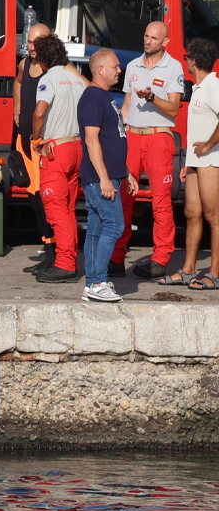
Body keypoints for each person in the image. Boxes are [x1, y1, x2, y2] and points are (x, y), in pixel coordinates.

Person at [113, 21, 183, 277]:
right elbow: (126, 107)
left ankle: (161, 258)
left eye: (154, 38)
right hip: (133, 136)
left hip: (158, 137)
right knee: (123, 196)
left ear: (165, 42)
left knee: (161, 200)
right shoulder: (132, 66)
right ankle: (116, 257)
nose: (147, 41)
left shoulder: (174, 67)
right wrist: (117, 134)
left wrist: (152, 97)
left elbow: (174, 108)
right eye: (145, 36)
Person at [30, 35, 90, 285]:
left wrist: (35, 139)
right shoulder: (78, 81)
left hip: (56, 150)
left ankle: (65, 263)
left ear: (43, 60)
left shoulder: (48, 79)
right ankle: (69, 259)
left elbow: (40, 111)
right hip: (77, 147)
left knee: (56, 209)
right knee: (68, 209)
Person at [79, 48, 135, 302]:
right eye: (115, 66)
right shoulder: (92, 98)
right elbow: (92, 141)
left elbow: (114, 139)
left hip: (110, 175)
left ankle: (93, 283)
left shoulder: (105, 97)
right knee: (115, 225)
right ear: (100, 69)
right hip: (99, 178)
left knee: (97, 228)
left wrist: (127, 173)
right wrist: (103, 178)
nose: (119, 69)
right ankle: (98, 281)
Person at [164, 38, 219, 289]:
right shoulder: (199, 87)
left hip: (212, 161)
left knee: (213, 216)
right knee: (191, 213)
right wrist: (188, 160)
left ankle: (215, 273)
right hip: (197, 161)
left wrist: (207, 146)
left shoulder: (213, 86)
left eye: (187, 57)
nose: (185, 61)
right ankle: (188, 269)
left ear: (194, 61)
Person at [13, 23, 56, 269]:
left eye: (35, 43)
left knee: (45, 199)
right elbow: (18, 83)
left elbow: (80, 85)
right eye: (28, 42)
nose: (30, 47)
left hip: (43, 145)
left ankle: (55, 255)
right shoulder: (25, 64)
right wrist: (18, 106)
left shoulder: (54, 69)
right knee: (33, 198)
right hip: (25, 142)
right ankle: (48, 251)